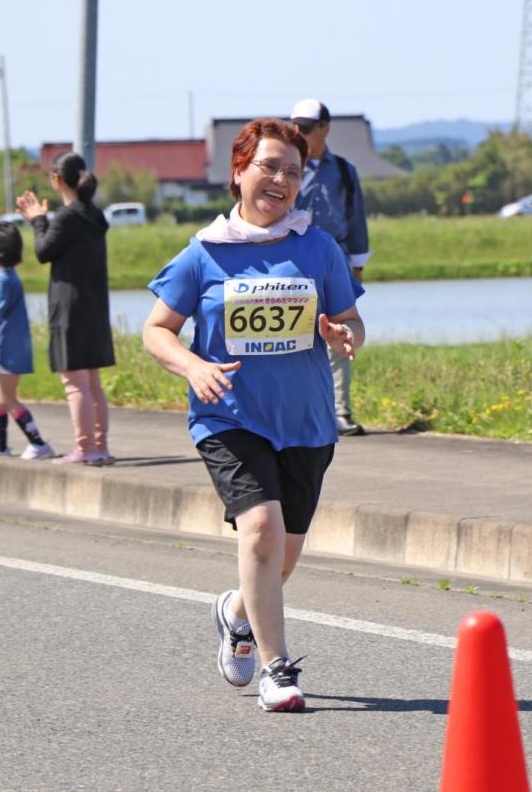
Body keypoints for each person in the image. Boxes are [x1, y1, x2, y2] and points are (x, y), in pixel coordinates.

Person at [143, 118, 365, 712]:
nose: (281, 180)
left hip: (307, 422)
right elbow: (156, 330)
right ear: (238, 172)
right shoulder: (205, 253)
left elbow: (352, 320)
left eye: (292, 172)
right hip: (230, 417)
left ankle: (237, 613)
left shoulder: (317, 247)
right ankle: (276, 668)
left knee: (282, 554)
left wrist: (345, 334)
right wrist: (192, 367)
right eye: (268, 167)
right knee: (261, 529)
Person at [16, 152, 116, 466]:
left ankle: (85, 449)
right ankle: (99, 446)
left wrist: (37, 220)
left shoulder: (67, 216)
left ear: (57, 180)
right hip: (94, 304)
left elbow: (44, 251)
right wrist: (44, 219)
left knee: (74, 382)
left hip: (69, 306)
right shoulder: (95, 214)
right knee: (91, 381)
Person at [289, 98, 371, 436]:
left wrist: (357, 265)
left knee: (340, 332)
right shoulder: (287, 167)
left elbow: (356, 219)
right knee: (295, 334)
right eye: (294, 125)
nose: (298, 132)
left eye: (305, 128)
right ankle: (300, 410)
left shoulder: (343, 170)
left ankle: (340, 411)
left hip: (334, 256)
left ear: (325, 128)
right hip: (294, 257)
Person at [0, 220, 55, 460]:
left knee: (6, 399)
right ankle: (0, 446)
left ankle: (39, 443)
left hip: (7, 349)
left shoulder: (5, 280)